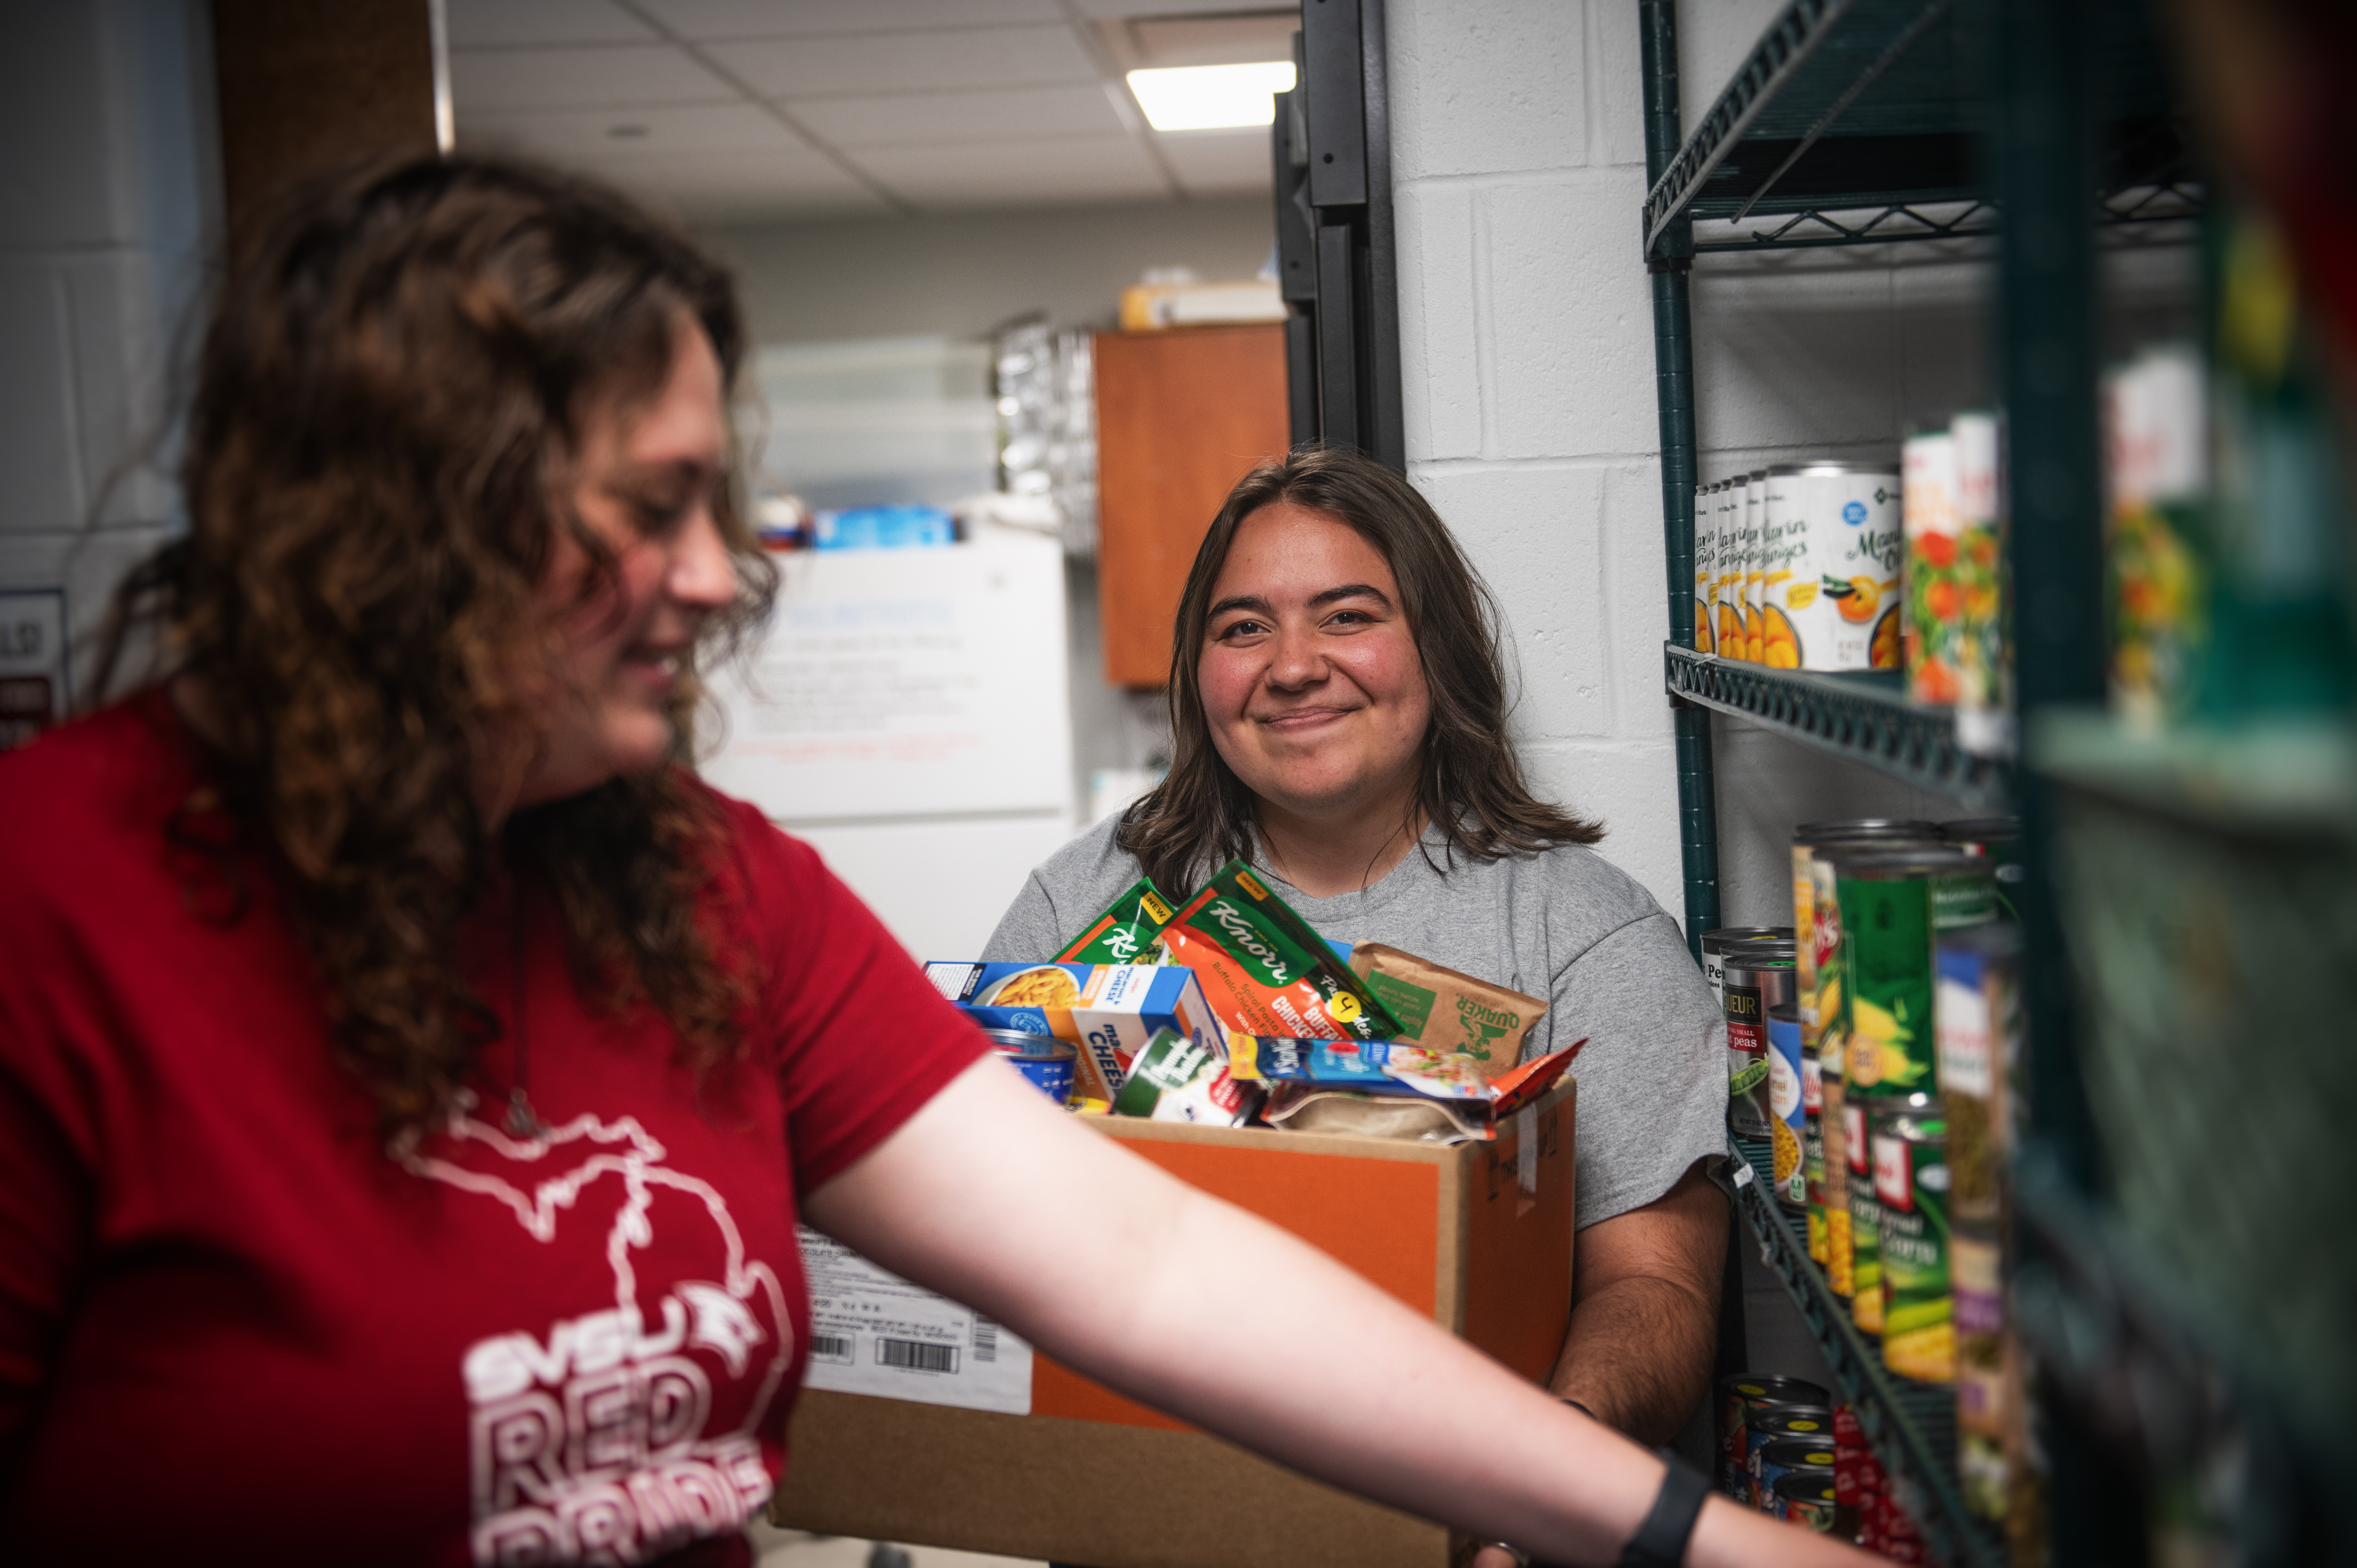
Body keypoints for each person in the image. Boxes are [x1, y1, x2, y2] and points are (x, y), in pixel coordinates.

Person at [0, 154, 1864, 1568]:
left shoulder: (712, 894)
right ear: (413, 514)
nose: (730, 576)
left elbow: (1138, 1261)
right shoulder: (53, 909)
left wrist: (1688, 1537)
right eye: (655, 510)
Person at [985, 450, 1732, 1480]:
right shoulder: (1079, 911)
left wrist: (1549, 1474)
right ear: (1198, 674)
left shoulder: (1582, 935)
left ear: (1437, 647)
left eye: (1348, 616)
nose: (1292, 665)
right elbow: (976, 1217)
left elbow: (1660, 1290)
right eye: (1244, 628)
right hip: (1142, 1505)